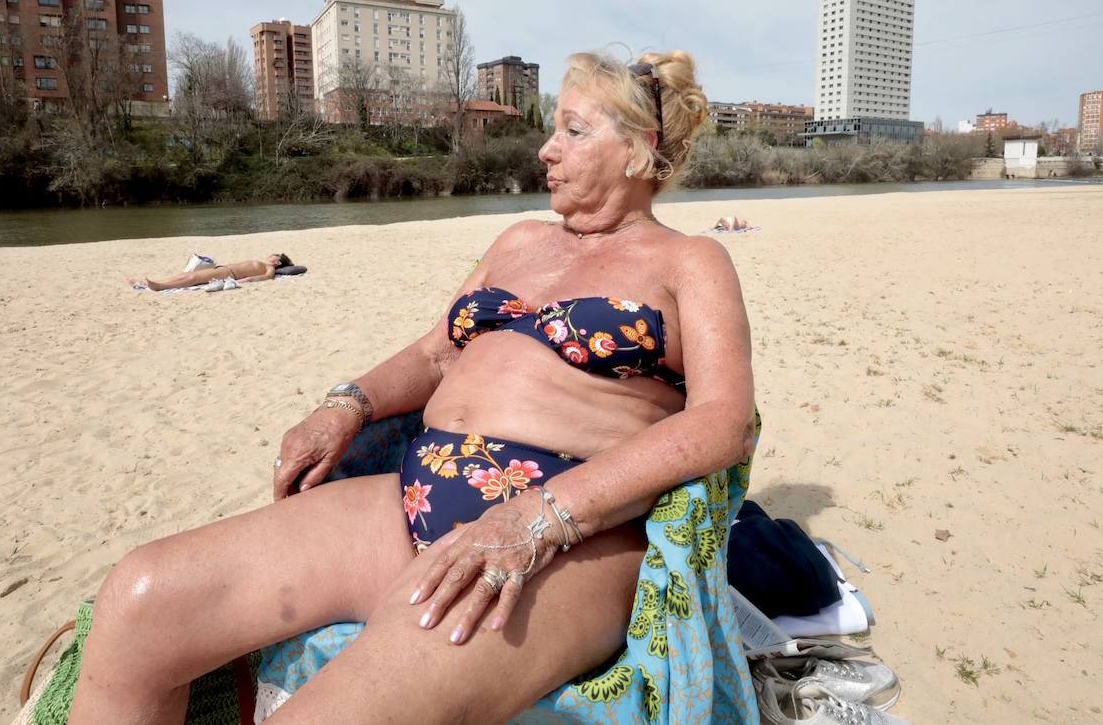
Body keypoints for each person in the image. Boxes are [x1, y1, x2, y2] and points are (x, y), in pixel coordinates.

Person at [72, 50, 756, 724]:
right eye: (553, 129)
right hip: (415, 491)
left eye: (573, 131)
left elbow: (723, 420)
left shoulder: (690, 260)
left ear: (640, 148)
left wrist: (540, 518)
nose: (546, 150)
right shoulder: (520, 241)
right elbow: (435, 355)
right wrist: (346, 403)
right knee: (140, 600)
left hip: (572, 535)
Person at [128, 253, 293, 291]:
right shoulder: (263, 262)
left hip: (228, 274)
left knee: (192, 277)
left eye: (275, 256)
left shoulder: (270, 268)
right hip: (222, 269)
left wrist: (246, 280)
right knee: (184, 275)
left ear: (278, 262)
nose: (271, 256)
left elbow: (265, 278)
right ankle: (149, 283)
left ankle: (160, 286)